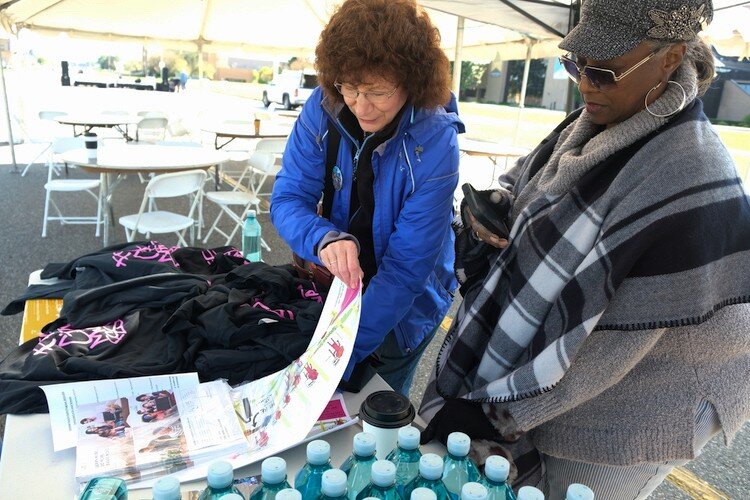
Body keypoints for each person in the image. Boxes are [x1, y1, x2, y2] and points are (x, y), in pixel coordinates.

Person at [419, 1, 750, 499]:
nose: (585, 83)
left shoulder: (692, 178)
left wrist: (502, 413)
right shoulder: (601, 115)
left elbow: (611, 351)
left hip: (642, 405)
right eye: (574, 65)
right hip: (569, 376)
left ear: (669, 58)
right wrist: (492, 209)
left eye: (602, 71)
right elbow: (529, 178)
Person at [271, 0, 463, 395]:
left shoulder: (436, 140)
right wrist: (324, 237)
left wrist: (337, 358)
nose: (361, 105)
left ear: (412, 80)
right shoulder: (323, 107)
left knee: (376, 414)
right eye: (351, 87)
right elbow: (288, 198)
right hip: (338, 289)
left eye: (377, 90)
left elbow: (407, 269)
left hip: (406, 305)